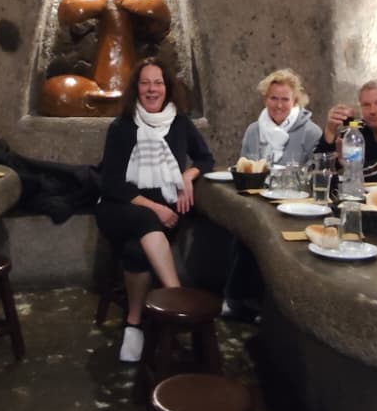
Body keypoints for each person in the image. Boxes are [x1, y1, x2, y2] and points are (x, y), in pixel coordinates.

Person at [94, 60, 214, 363]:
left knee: (136, 251)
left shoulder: (180, 123)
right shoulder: (122, 127)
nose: (152, 89)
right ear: (136, 88)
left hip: (165, 213)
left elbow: (205, 159)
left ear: (167, 88)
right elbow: (112, 185)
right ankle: (177, 296)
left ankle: (133, 324)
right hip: (121, 208)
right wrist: (156, 208)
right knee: (146, 218)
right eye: (145, 83)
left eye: (157, 82)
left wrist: (187, 176)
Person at [238, 68, 319, 166]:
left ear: (295, 101)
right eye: (274, 98)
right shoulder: (253, 131)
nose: (279, 105)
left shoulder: (311, 133)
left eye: (285, 99)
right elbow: (244, 170)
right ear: (265, 100)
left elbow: (318, 171)